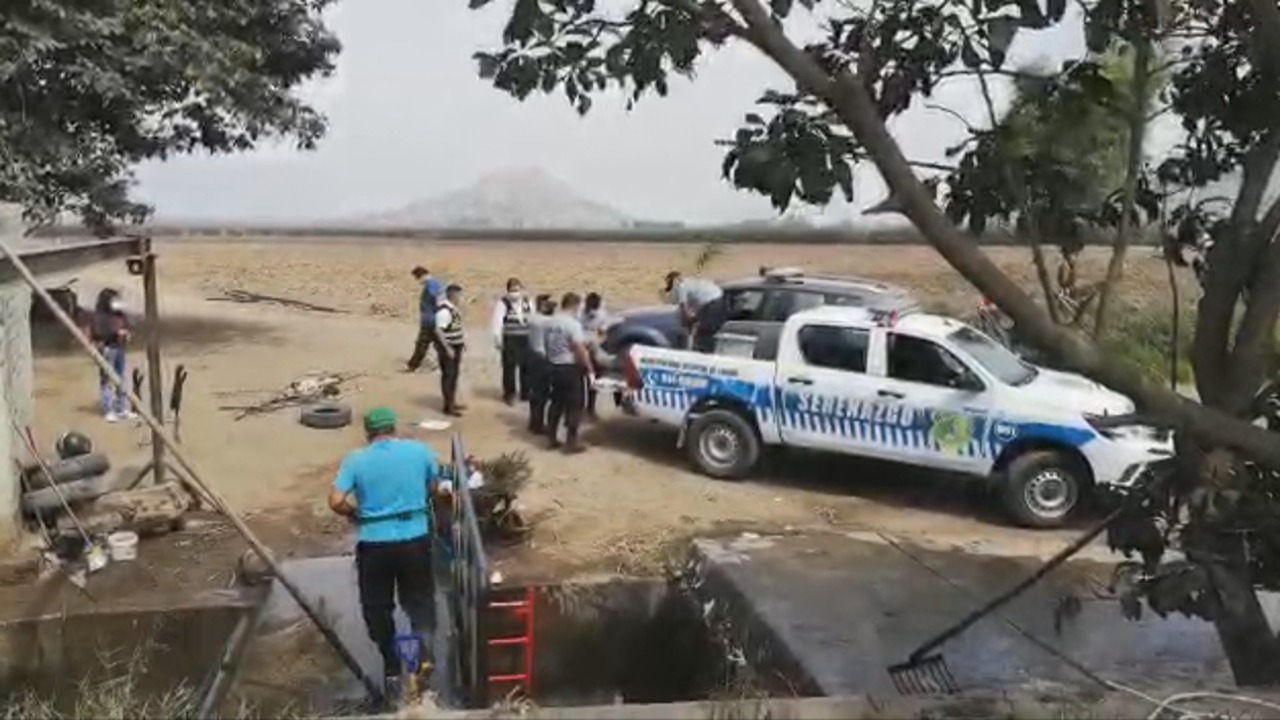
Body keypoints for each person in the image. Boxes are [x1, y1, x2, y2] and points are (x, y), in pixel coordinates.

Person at [328, 407, 444, 700]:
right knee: (420, 603)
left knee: (377, 607)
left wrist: (355, 513)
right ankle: (422, 663)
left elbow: (335, 500)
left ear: (368, 432)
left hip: (375, 545)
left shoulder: (356, 459)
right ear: (393, 428)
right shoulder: (420, 451)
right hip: (415, 540)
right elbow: (435, 485)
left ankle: (391, 665)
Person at [544, 292, 594, 453]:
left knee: (556, 403)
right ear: (574, 306)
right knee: (575, 404)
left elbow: (546, 343)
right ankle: (571, 442)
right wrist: (589, 368)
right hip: (570, 368)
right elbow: (579, 349)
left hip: (554, 365)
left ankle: (551, 438)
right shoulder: (573, 324)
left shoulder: (551, 322)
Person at [89, 288, 135, 423]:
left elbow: (126, 326)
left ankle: (121, 408)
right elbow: (98, 333)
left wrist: (127, 334)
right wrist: (116, 334)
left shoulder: (119, 314)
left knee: (120, 378)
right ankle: (108, 410)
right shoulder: (100, 316)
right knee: (106, 380)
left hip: (120, 348)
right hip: (107, 349)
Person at [489, 277, 533, 405]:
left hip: (526, 338)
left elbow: (533, 318)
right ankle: (509, 394)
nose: (515, 293)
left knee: (527, 367)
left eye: (517, 290)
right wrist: (497, 339)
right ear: (508, 291)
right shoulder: (503, 303)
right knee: (509, 368)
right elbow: (497, 322)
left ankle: (526, 392)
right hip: (510, 339)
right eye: (512, 290)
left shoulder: (527, 301)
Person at [663, 270, 725, 352]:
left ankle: (702, 352)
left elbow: (684, 307)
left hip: (710, 301)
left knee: (703, 331)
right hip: (719, 296)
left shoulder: (681, 286)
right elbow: (694, 307)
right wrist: (693, 318)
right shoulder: (690, 282)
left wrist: (688, 321)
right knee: (710, 329)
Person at [432, 284, 467, 417]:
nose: (460, 298)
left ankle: (452, 402)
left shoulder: (453, 309)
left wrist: (462, 343)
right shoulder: (444, 311)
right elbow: (438, 330)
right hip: (449, 348)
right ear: (453, 295)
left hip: (456, 346)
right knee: (449, 376)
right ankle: (448, 406)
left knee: (454, 376)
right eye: (459, 295)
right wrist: (447, 348)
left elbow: (456, 327)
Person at [526, 294, 556, 434]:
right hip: (543, 358)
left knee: (535, 392)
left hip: (532, 356)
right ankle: (538, 424)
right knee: (542, 393)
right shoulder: (547, 322)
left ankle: (534, 421)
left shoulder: (533, 318)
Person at [406, 266, 443, 373]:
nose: (418, 281)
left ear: (422, 276)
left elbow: (438, 299)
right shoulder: (434, 284)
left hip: (430, 321)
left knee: (422, 344)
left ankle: (413, 366)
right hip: (434, 320)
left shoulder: (431, 285)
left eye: (417, 278)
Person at [579, 292, 609, 421]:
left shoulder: (602, 315)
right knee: (579, 379)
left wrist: (596, 342)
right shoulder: (580, 313)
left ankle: (591, 408)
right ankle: (578, 408)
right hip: (579, 346)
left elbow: (604, 334)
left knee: (593, 379)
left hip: (594, 348)